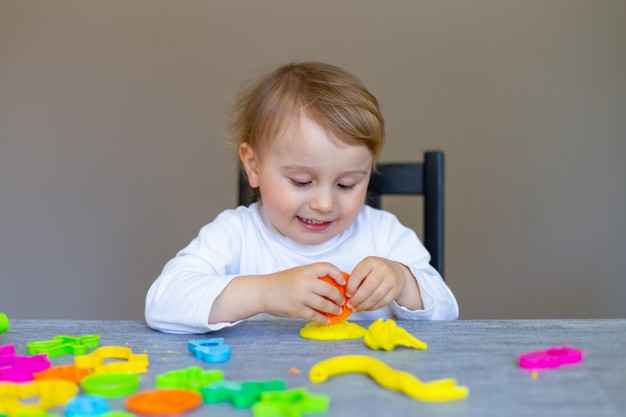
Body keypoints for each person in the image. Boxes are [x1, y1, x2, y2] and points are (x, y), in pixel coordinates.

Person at [145, 62, 458, 334]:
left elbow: (447, 311)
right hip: (263, 382)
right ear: (253, 166)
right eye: (302, 181)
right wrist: (266, 293)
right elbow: (162, 302)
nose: (324, 204)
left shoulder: (384, 234)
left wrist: (402, 282)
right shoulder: (236, 234)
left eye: (347, 184)